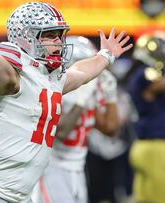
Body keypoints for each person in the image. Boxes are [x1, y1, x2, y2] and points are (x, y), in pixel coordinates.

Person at [0, 1, 133, 202]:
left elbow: (80, 72)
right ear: (26, 36)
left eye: (59, 35)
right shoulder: (12, 77)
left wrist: (106, 55)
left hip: (21, 196)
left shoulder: (50, 78)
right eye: (49, 35)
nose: (58, 42)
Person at [31, 36, 119, 203]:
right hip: (53, 168)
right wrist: (80, 102)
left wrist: (111, 97)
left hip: (77, 169)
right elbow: (62, 132)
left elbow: (110, 129)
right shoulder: (55, 91)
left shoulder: (89, 92)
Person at [127, 30, 165, 203]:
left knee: (144, 198)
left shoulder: (136, 75)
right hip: (156, 148)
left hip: (142, 145)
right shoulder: (145, 75)